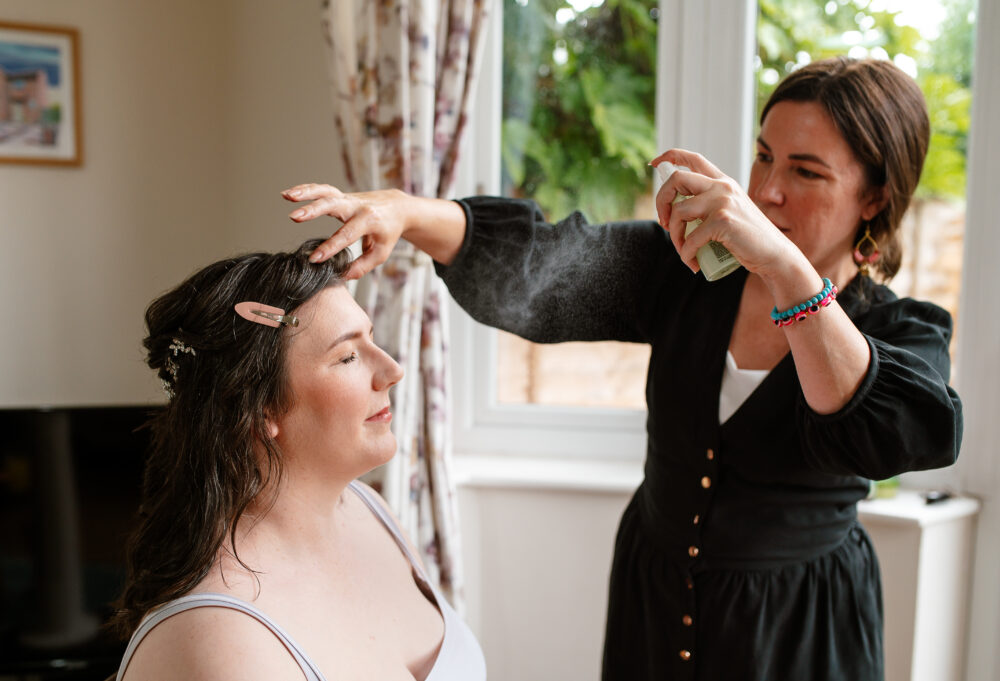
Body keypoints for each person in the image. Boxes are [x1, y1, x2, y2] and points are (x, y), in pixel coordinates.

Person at [282, 57, 962, 680]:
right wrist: (406, 211)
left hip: (795, 632)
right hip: (654, 603)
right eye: (762, 157)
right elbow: (547, 265)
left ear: (875, 198)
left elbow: (884, 431)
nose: (768, 190)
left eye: (806, 172)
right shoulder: (685, 273)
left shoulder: (898, 331)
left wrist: (787, 268)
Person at [109, 239, 486, 680]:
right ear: (261, 408)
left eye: (372, 340)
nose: (392, 370)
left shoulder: (372, 510)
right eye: (347, 356)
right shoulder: (220, 639)